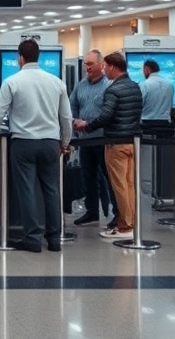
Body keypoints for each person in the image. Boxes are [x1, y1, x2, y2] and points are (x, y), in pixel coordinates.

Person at [0, 39, 73, 252]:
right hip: (50, 142)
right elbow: (66, 117)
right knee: (52, 190)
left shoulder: (12, 81)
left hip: (23, 142)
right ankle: (54, 239)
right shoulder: (56, 82)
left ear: (20, 58)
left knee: (26, 190)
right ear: (39, 57)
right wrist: (65, 142)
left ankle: (33, 239)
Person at [73, 52, 142, 240]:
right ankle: (129, 223)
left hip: (113, 142)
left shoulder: (112, 89)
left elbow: (106, 116)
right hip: (130, 141)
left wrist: (86, 125)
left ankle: (124, 225)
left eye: (104, 66)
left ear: (111, 67)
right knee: (128, 185)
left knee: (118, 186)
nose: (104, 70)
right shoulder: (135, 87)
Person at [69, 49, 116, 227]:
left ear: (101, 64)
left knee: (108, 176)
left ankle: (114, 212)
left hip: (102, 139)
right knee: (87, 176)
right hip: (85, 140)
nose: (87, 67)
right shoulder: (80, 85)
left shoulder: (108, 86)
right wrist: (74, 121)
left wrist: (88, 123)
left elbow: (107, 114)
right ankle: (92, 211)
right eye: (85, 64)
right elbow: (73, 106)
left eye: (90, 64)